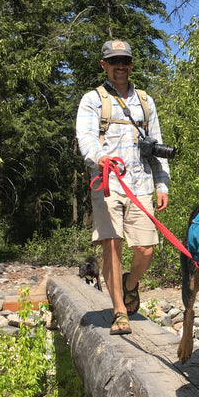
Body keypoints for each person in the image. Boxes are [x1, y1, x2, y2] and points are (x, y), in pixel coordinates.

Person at [76, 40, 170, 335]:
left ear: (131, 65)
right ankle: (119, 310)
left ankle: (130, 285)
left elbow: (155, 145)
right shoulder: (93, 100)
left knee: (146, 248)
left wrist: (162, 183)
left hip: (140, 183)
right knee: (112, 245)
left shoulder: (145, 102)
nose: (120, 66)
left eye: (125, 61)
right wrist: (100, 157)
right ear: (103, 64)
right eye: (114, 60)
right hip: (107, 184)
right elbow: (86, 137)